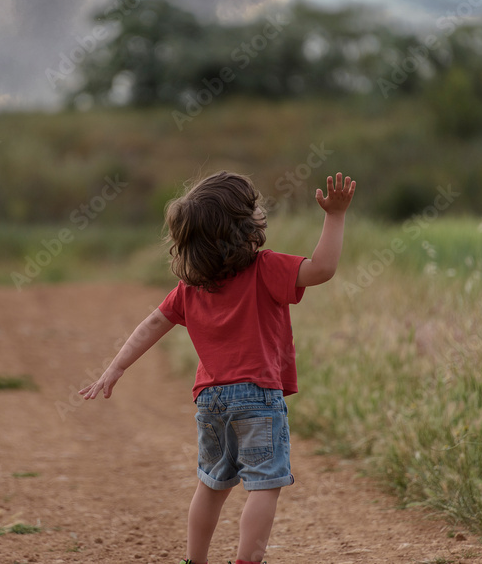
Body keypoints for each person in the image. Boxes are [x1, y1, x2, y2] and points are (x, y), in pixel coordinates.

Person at [79, 170, 355, 564]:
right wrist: (336, 215)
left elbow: (153, 323)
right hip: (257, 395)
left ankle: (196, 561)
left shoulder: (192, 286)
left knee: (211, 485)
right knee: (264, 485)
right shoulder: (266, 268)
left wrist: (115, 368)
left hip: (211, 400)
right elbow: (323, 268)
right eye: (254, 209)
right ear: (244, 227)